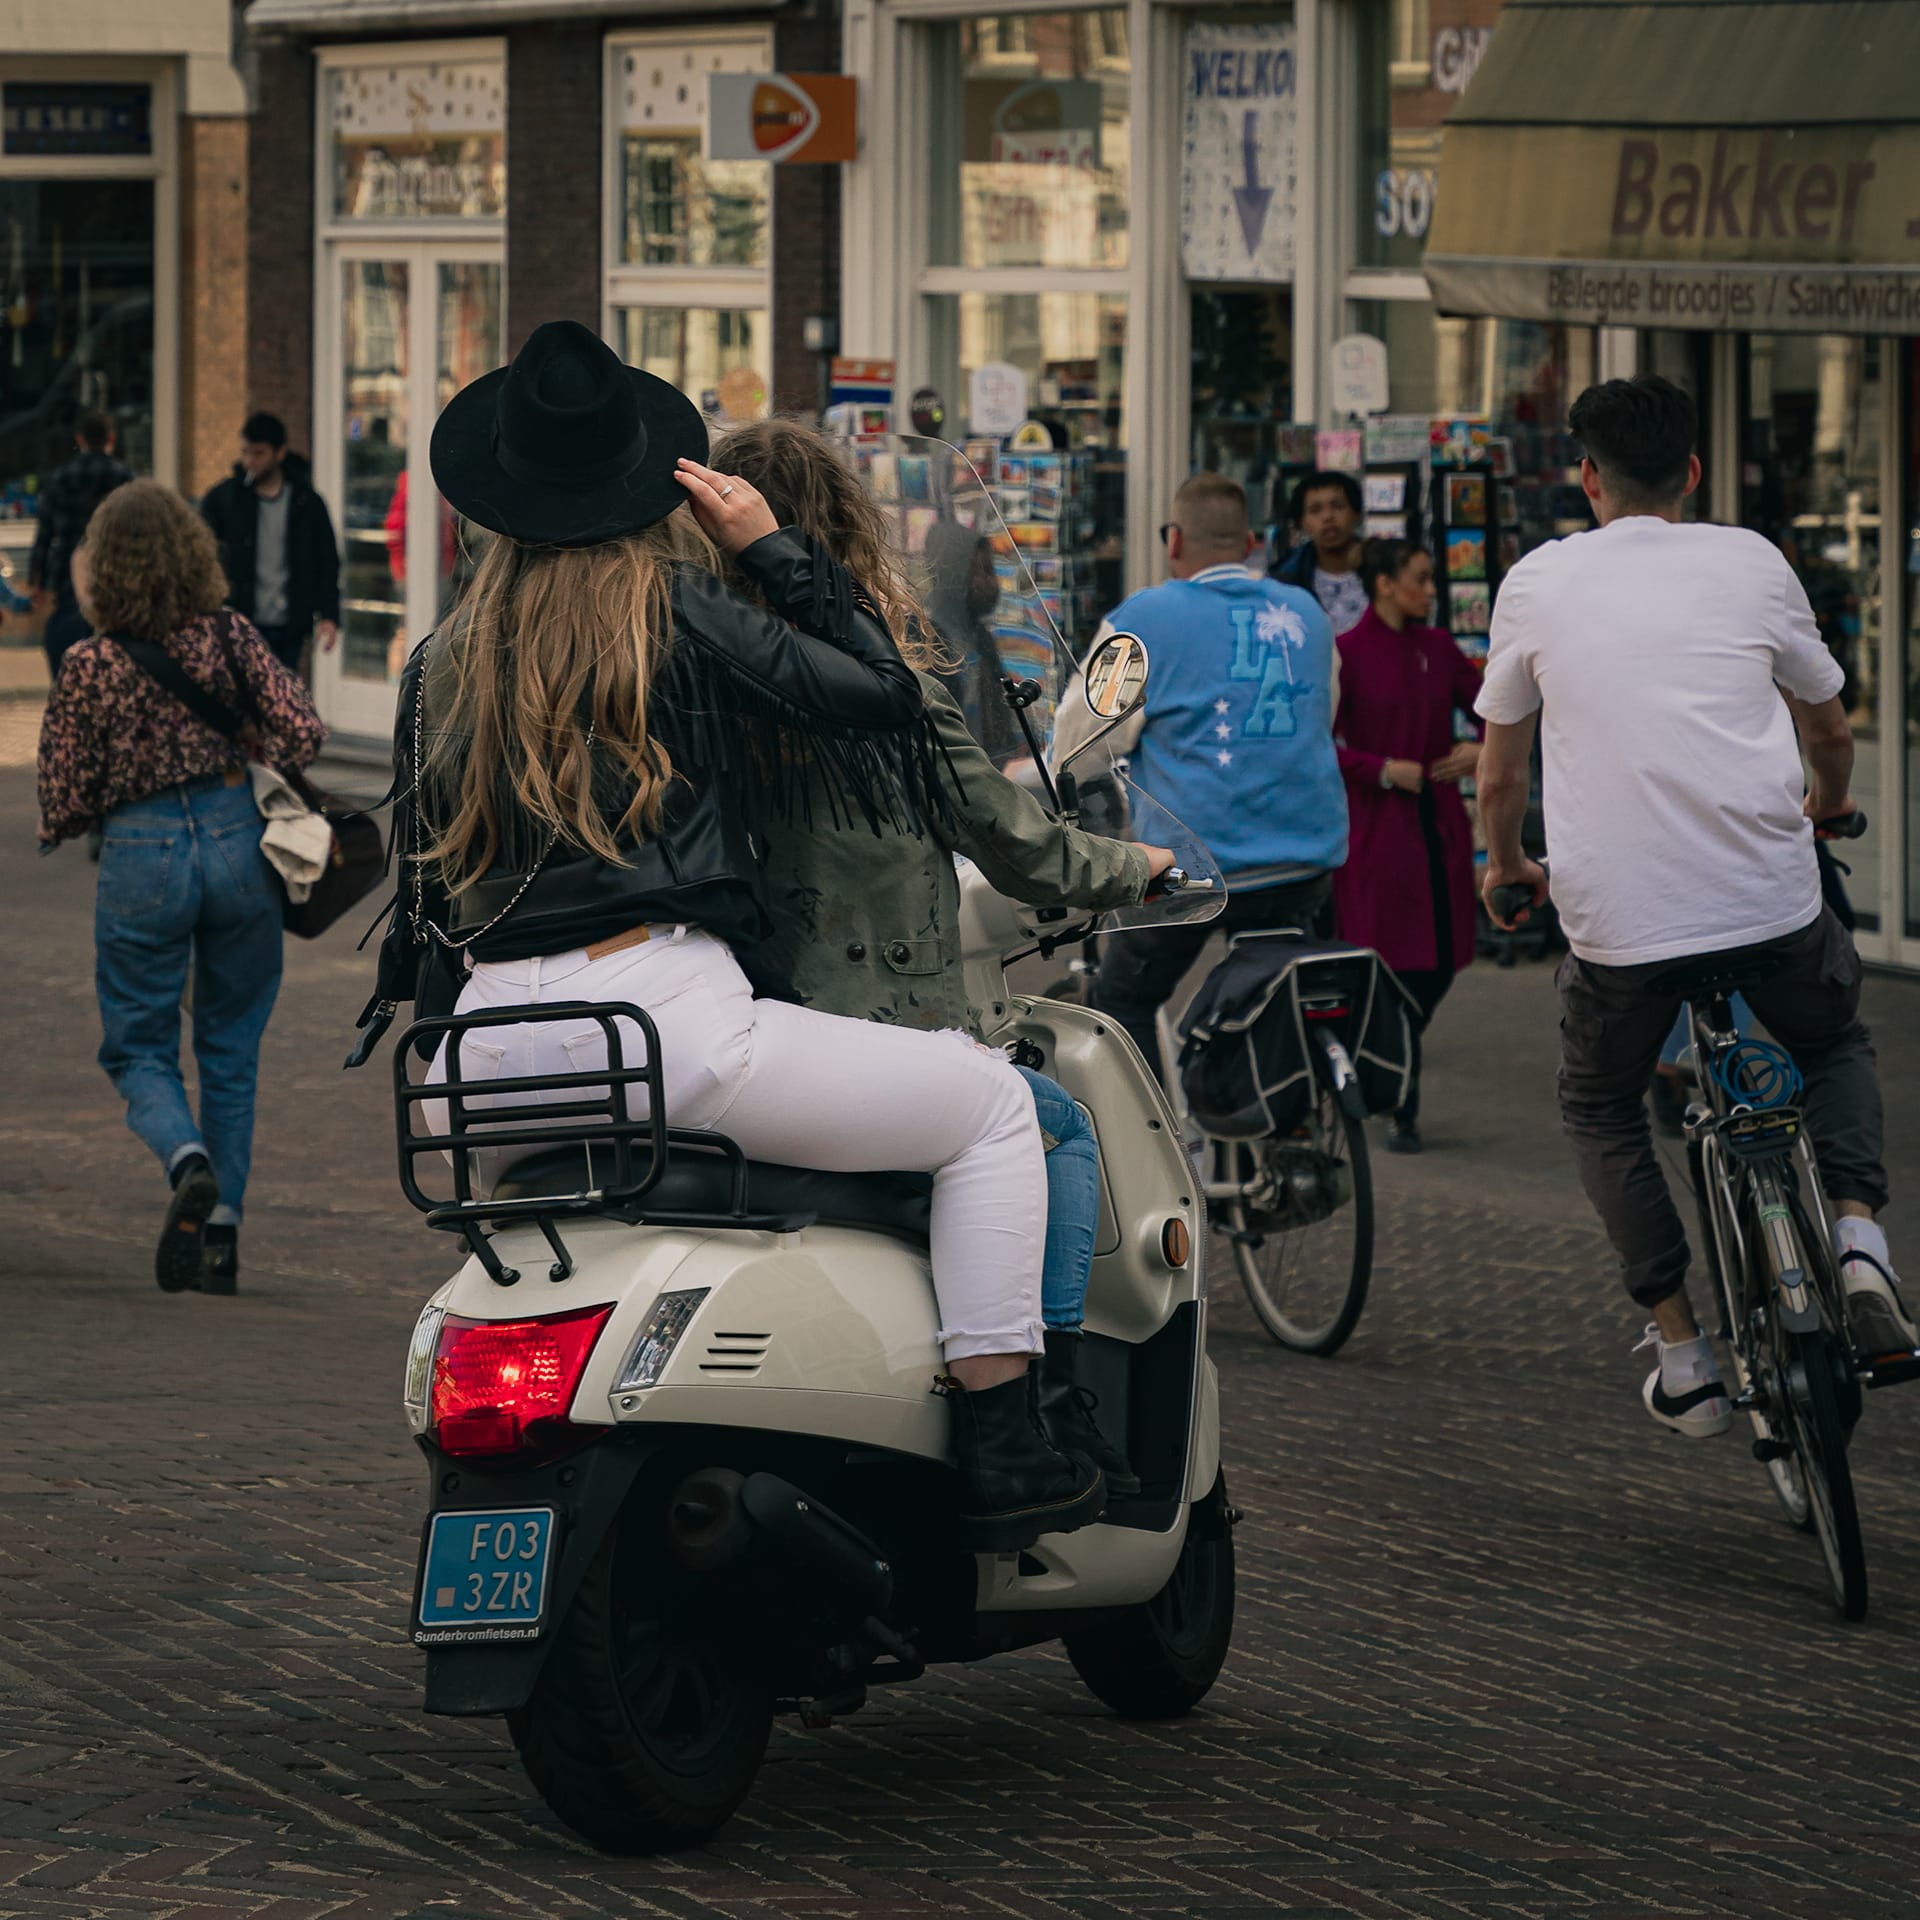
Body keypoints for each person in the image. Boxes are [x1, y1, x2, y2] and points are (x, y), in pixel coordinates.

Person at [361, 321, 1104, 1548]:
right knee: (993, 1113)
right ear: (640, 479)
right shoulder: (679, 611)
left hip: (477, 1060)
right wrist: (777, 551)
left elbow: (425, 910)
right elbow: (881, 700)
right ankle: (1007, 1439)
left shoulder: (442, 661)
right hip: (662, 1022)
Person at [710, 415, 1176, 1492]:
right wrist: (1134, 865)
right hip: (865, 1023)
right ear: (839, 532)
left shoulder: (695, 670)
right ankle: (1028, 1416)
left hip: (736, 1014)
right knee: (1051, 1123)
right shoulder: (875, 677)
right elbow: (1013, 843)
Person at [1476, 373, 1912, 1438]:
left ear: (1586, 478)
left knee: (1600, 1106)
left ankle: (1683, 1354)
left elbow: (1497, 775)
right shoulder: (1750, 560)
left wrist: (1507, 867)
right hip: (1767, 904)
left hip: (1621, 929)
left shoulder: (1537, 581)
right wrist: (1830, 808)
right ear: (1694, 474)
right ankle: (1858, 1243)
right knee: (1835, 1045)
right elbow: (1831, 729)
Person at [35, 481, 325, 1295]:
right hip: (238, 839)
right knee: (231, 1048)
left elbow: (61, 802)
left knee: (138, 1045)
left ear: (107, 567)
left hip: (141, 850)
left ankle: (184, 1157)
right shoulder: (228, 634)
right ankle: (222, 1235)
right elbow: (304, 729)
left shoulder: (90, 664)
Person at [1057, 471, 1347, 1078]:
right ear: (1250, 542)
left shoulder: (1143, 618)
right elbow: (1324, 714)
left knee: (1122, 1002)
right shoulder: (1309, 613)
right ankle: (1290, 1127)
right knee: (1286, 987)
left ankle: (1157, 1159)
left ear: (1173, 541)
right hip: (1306, 861)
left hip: (1192, 872)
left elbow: (1077, 742)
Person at [1332, 539, 1483, 1153]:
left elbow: (1494, 712)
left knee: (1441, 960)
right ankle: (1401, 1099)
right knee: (1392, 964)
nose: (1431, 589)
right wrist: (1380, 769)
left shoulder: (1439, 648)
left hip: (1439, 827)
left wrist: (1482, 748)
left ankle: (1375, 1062)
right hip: (1377, 833)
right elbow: (1321, 744)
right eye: (1420, 578)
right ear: (1386, 584)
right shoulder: (1345, 654)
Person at [198, 412, 341, 677]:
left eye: (259, 453)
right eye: (245, 452)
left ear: (280, 453)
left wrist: (329, 614)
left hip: (290, 623)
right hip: (240, 620)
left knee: (283, 697)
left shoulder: (306, 502)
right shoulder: (224, 499)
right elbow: (199, 552)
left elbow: (326, 559)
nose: (250, 461)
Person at [29, 408, 131, 678]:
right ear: (111, 439)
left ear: (80, 439)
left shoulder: (61, 478)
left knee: (70, 662)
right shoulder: (124, 479)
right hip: (114, 578)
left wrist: (36, 583)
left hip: (67, 580)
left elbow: (44, 536)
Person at [1270, 469, 1368, 636]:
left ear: (1356, 514)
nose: (1328, 517)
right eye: (1315, 510)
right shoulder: (1286, 581)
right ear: (1302, 523)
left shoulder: (1385, 567)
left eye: (1338, 507)